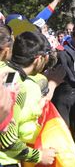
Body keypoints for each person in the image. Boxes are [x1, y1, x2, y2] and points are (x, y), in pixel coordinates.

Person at [0, 31, 56, 166]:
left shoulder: (4, 70)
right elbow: (7, 140)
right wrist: (39, 156)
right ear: (38, 59)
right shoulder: (17, 84)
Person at [51, 22, 75, 167]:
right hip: (63, 95)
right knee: (65, 133)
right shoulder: (63, 52)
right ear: (72, 37)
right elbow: (72, 79)